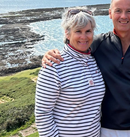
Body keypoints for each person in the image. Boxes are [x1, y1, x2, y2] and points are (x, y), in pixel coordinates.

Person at [42, 0, 130, 136]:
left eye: (128, 11)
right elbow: (76, 47)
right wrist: (50, 54)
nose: (123, 16)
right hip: (105, 129)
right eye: (118, 11)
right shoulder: (98, 44)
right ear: (110, 13)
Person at [35, 7, 105, 137]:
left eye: (88, 31)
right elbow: (42, 115)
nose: (84, 37)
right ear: (67, 33)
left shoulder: (93, 60)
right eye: (78, 31)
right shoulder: (54, 65)